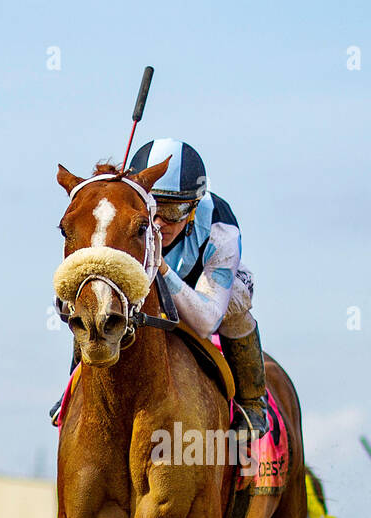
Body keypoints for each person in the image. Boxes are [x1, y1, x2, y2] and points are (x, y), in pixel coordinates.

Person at [52, 138, 271, 440]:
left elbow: (207, 321)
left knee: (237, 302)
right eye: (154, 208)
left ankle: (252, 401)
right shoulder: (129, 211)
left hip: (204, 289)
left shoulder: (221, 231)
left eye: (174, 211)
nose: (159, 222)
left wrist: (161, 268)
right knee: (100, 301)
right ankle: (76, 387)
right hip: (150, 282)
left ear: (193, 208)